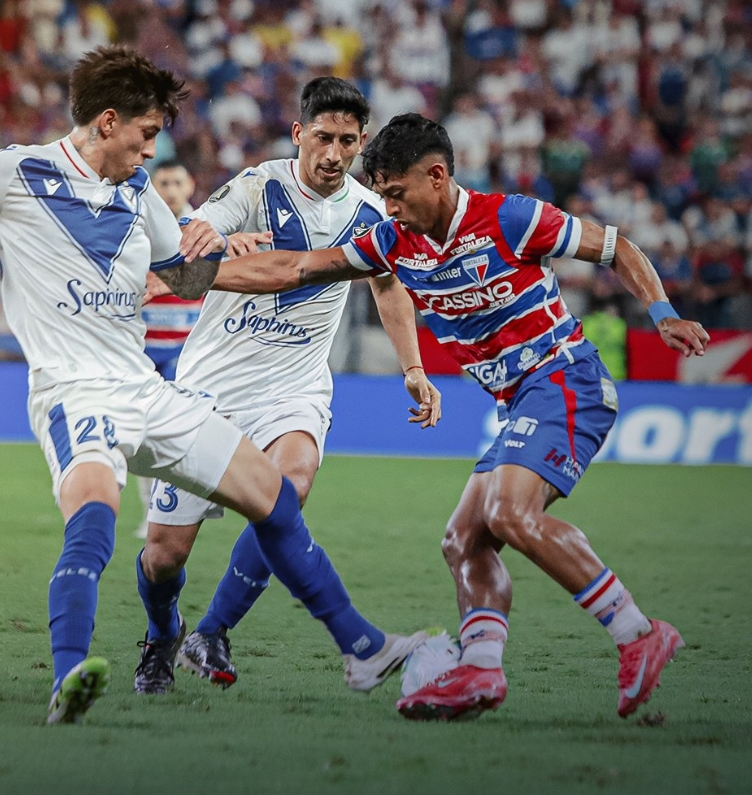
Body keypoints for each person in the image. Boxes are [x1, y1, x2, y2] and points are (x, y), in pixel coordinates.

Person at [210, 113, 710, 721]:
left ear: (437, 177)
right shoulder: (394, 241)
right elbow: (297, 268)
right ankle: (479, 670)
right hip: (517, 402)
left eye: (395, 193)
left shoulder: (510, 217)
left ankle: (638, 633)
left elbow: (616, 248)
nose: (387, 208)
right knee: (463, 541)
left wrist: (662, 314)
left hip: (564, 379)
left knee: (507, 513)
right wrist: (193, 276)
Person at [135, 78, 440, 695]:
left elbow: (388, 286)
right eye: (323, 138)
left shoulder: (369, 210)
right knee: (164, 555)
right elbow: (200, 228)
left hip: (293, 388)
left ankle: (214, 631)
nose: (333, 153)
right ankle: (163, 633)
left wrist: (413, 368)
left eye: (347, 142)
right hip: (209, 390)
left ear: (360, 144)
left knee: (288, 487)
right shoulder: (258, 186)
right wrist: (211, 238)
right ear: (300, 133)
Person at [134, 159, 203, 538]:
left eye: (177, 181)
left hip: (184, 350)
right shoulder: (137, 231)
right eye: (163, 182)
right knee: (141, 435)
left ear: (190, 185)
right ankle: (150, 511)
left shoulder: (203, 231)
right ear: (153, 188)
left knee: (177, 434)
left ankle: (177, 511)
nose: (171, 190)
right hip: (144, 350)